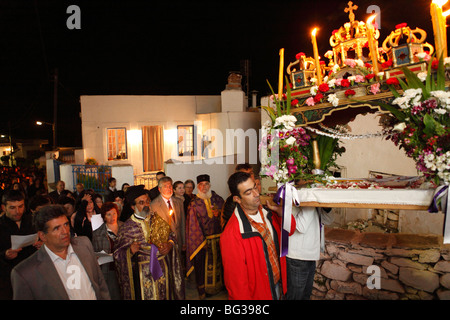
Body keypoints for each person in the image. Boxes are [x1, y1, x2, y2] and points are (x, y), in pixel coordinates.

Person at [220, 172, 296, 300]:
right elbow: (237, 285)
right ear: (237, 199)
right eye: (248, 192)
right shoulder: (232, 234)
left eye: (255, 187)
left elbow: (291, 230)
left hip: (279, 284)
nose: (256, 194)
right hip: (260, 294)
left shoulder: (268, 212)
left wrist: (282, 213)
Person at [10, 204, 111, 300]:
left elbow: (100, 283)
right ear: (42, 236)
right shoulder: (25, 273)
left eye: (66, 224)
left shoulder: (84, 244)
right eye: (57, 228)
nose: (65, 232)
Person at [113, 185, 184, 300]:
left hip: (163, 270)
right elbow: (117, 254)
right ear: (132, 206)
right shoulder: (126, 228)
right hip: (142, 274)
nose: (146, 205)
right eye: (141, 203)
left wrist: (170, 244)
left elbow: (172, 236)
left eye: (147, 201)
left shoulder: (158, 220)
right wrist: (129, 251)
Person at [282, 205, 334, 300]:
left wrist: (326, 208)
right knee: (295, 296)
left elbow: (328, 220)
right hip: (297, 257)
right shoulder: (300, 198)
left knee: (305, 296)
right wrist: (311, 202)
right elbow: (301, 227)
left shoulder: (313, 201)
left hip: (310, 255)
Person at [185, 174, 224, 299]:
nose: (204, 187)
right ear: (198, 187)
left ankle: (219, 287)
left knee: (220, 264)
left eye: (206, 184)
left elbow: (226, 217)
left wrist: (219, 216)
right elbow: (192, 225)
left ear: (210, 185)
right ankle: (204, 290)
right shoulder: (194, 204)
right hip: (202, 242)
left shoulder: (218, 199)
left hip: (219, 239)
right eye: (201, 185)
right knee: (202, 266)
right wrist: (201, 241)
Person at [0, 190, 41, 299]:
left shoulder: (32, 221)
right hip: (8, 279)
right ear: (4, 208)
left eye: (21, 206)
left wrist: (42, 245)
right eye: (12, 208)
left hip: (34, 274)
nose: (17, 211)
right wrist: (5, 255)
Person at [92, 202, 123, 300]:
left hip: (125, 267)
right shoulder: (98, 233)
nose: (112, 217)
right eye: (108, 214)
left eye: (114, 213)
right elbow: (95, 252)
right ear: (104, 217)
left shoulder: (125, 227)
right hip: (109, 270)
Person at [151, 177, 185, 258]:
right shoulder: (154, 205)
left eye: (170, 186)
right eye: (165, 186)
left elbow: (182, 223)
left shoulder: (179, 202)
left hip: (178, 242)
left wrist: (184, 241)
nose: (169, 189)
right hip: (165, 245)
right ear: (159, 189)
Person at [221, 163, 255, 229]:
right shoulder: (231, 201)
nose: (249, 177)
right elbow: (228, 227)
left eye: (251, 173)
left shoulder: (258, 194)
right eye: (245, 175)